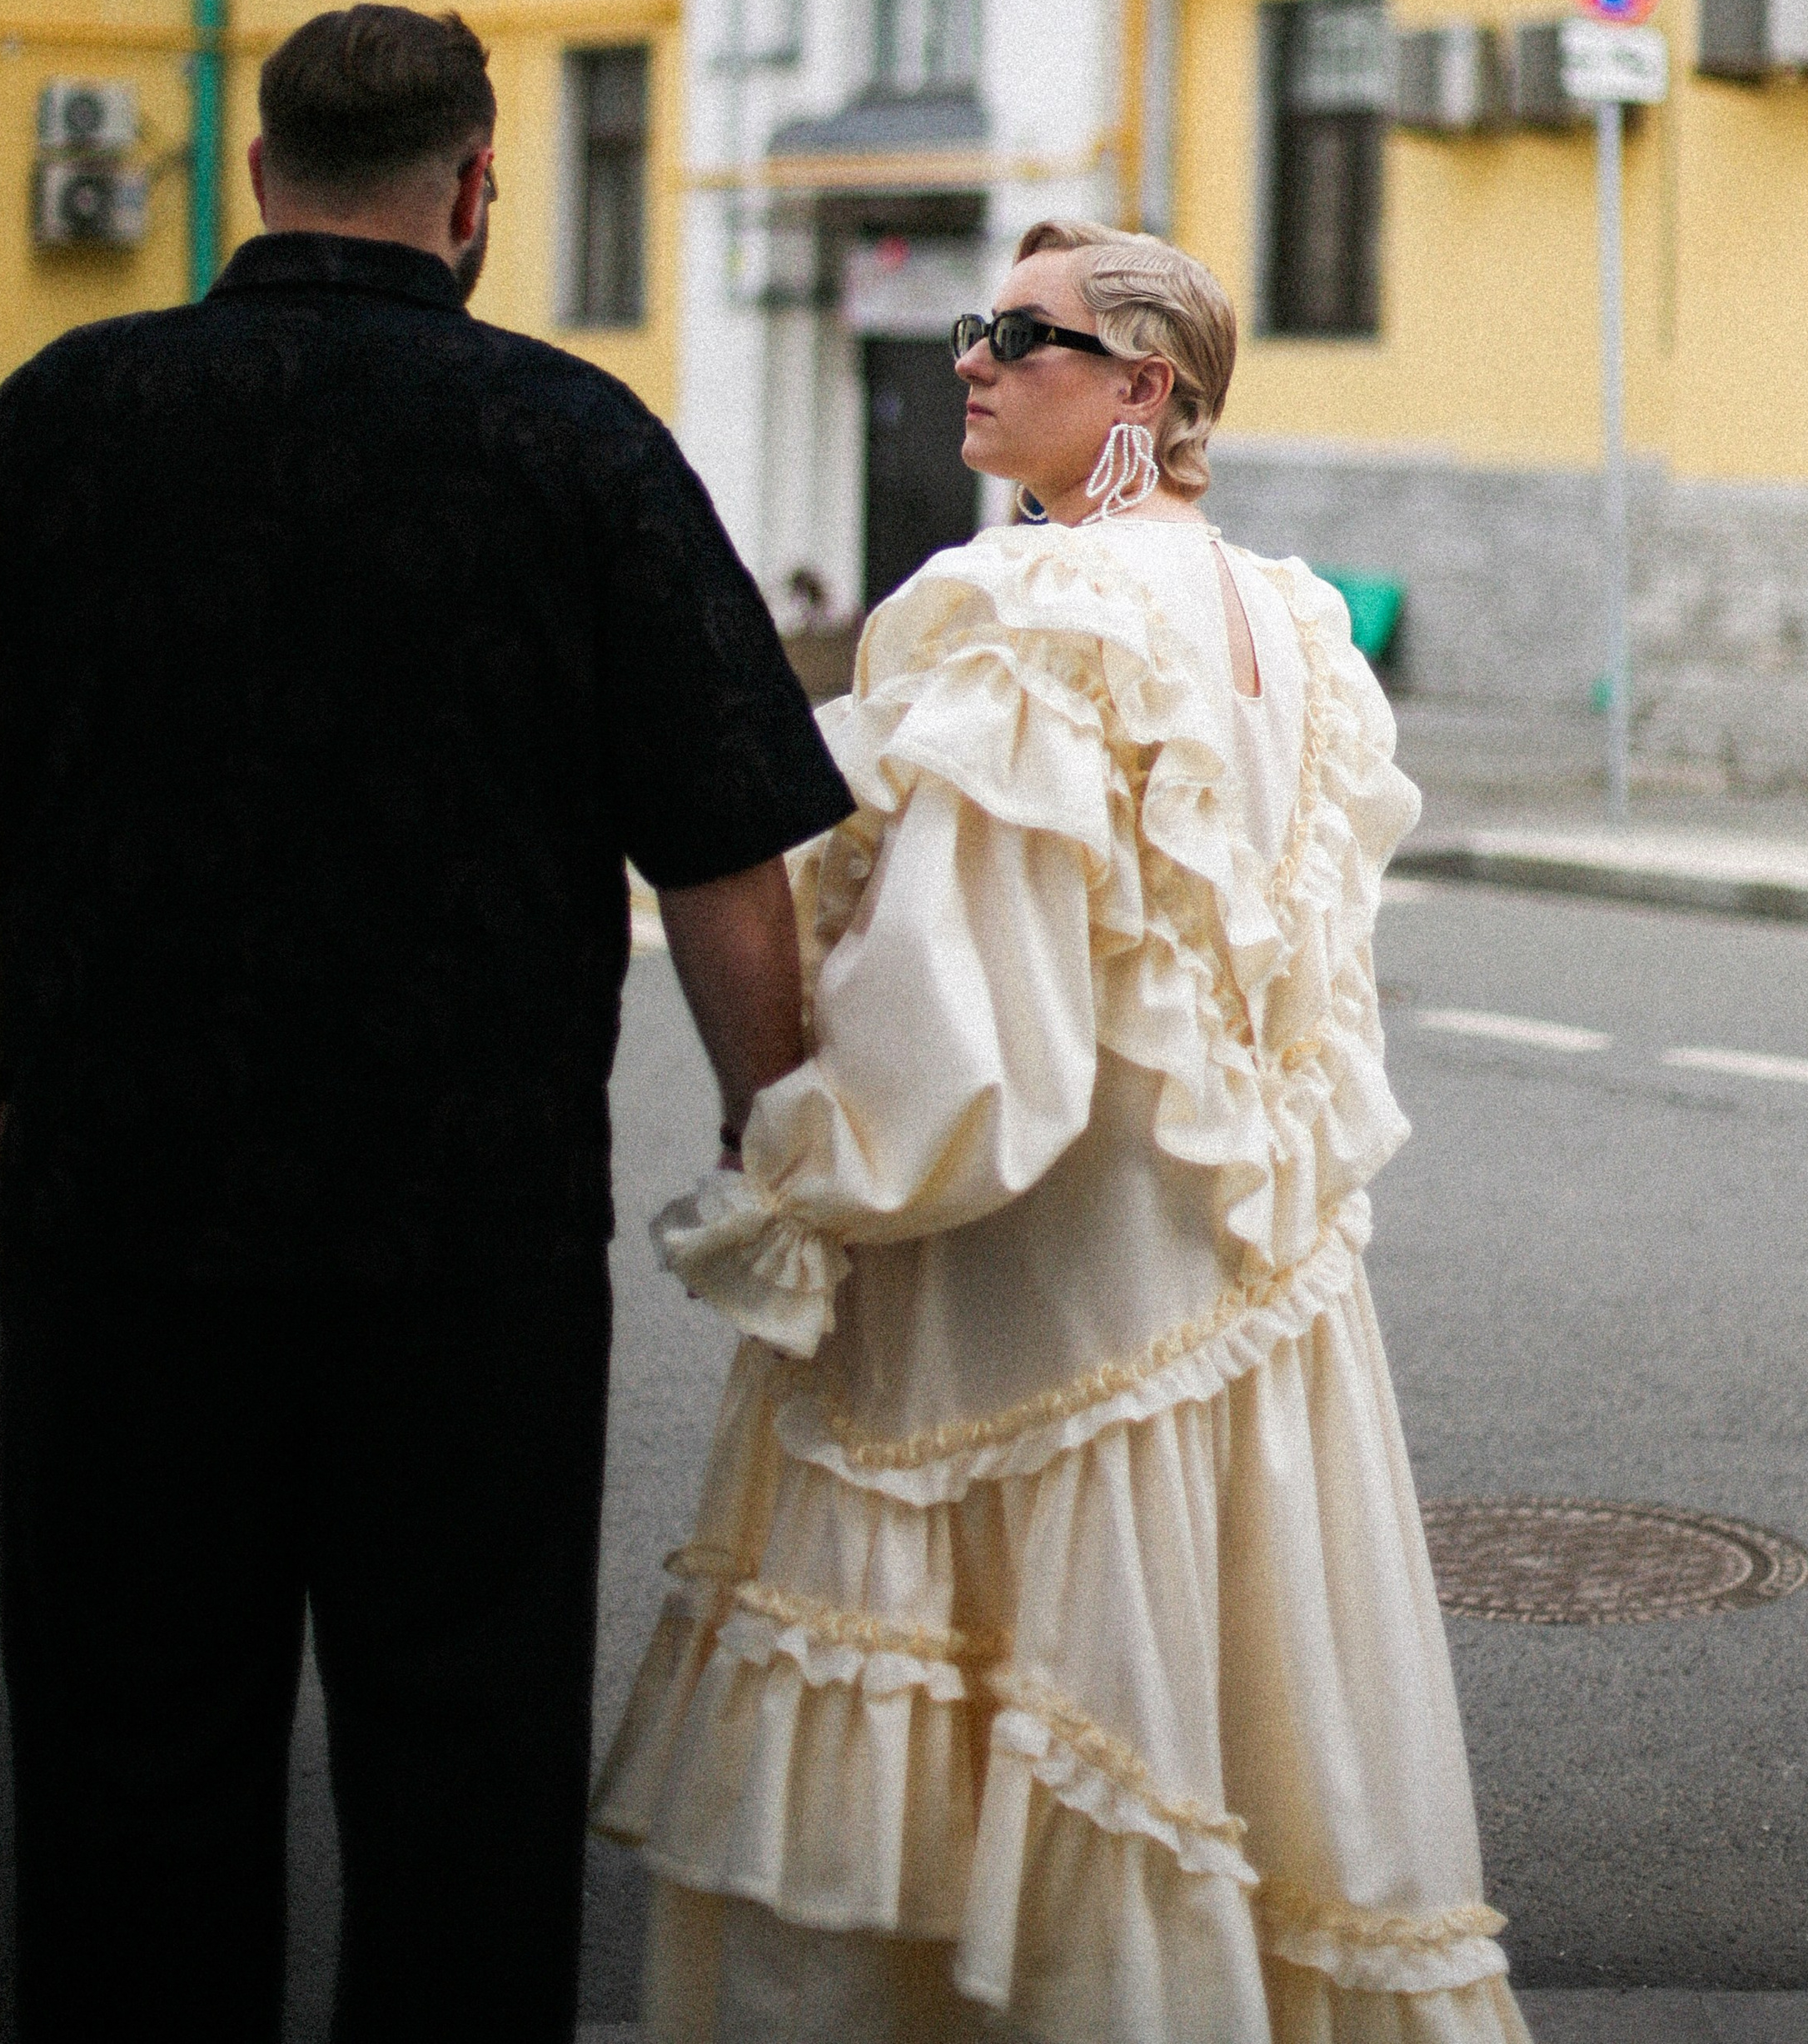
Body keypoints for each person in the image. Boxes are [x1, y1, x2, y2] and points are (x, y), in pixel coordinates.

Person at [0, 3, 853, 2043]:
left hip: (114, 1222)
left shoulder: (61, 413)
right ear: (475, 191)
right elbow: (723, 850)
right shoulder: (573, 442)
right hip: (460, 1241)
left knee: (124, 1762)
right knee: (461, 1767)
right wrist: (773, 1132)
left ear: (257, 173)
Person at [595, 219, 1533, 2044]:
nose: (969, 359)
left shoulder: (1030, 605)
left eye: (1016, 336)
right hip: (1226, 1275)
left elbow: (967, 1020)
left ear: (1141, 388)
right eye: (977, 327)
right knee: (1223, 1712)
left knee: (990, 1704)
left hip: (1020, 1291)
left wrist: (800, 1160)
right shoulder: (1297, 623)